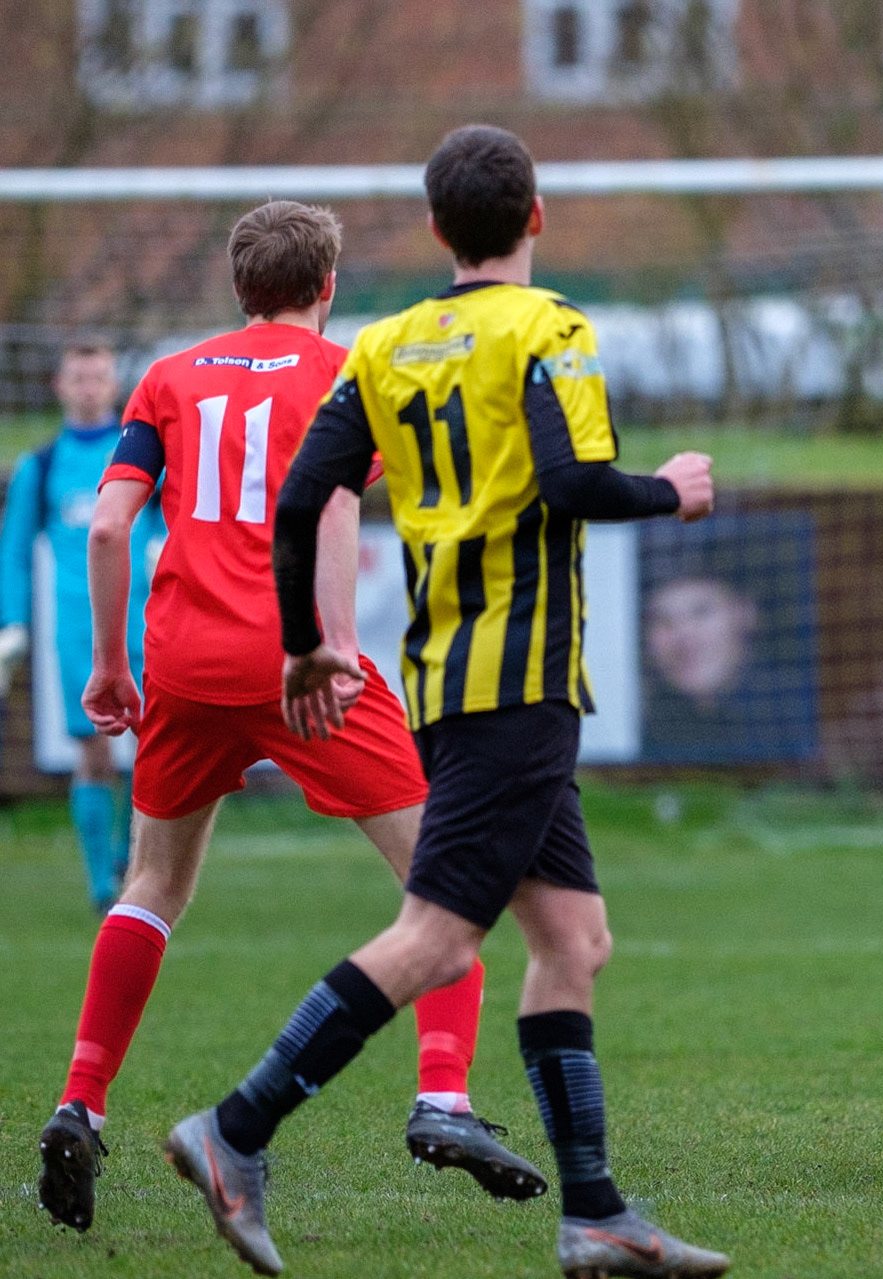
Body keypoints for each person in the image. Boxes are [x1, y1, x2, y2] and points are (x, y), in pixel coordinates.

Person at [164, 126, 727, 1279]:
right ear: (537, 218)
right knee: (438, 936)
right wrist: (668, 492)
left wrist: (304, 642)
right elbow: (572, 484)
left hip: (446, 677)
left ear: (434, 230)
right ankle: (237, 1128)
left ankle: (597, 1215)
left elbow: (304, 492)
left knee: (574, 938)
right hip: (517, 681)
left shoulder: (386, 344)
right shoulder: (551, 328)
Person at [35, 200, 544, 1239]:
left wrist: (108, 666)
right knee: (447, 884)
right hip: (299, 661)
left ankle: (79, 1102)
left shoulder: (170, 376)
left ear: (239, 287)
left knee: (152, 886)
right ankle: (442, 1097)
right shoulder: (351, 374)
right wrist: (338, 651)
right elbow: (345, 507)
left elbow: (106, 525)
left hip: (182, 665)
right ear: (327, 287)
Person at [0, 341, 162, 912]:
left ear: (114, 385)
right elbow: (14, 552)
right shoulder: (40, 467)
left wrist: (162, 548)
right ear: (60, 386)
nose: (90, 386)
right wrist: (11, 623)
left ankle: (132, 859)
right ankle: (100, 882)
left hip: (150, 625)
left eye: (99, 376)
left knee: (154, 750)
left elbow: (173, 520)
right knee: (92, 751)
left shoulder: (143, 452)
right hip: (79, 632)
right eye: (79, 377)